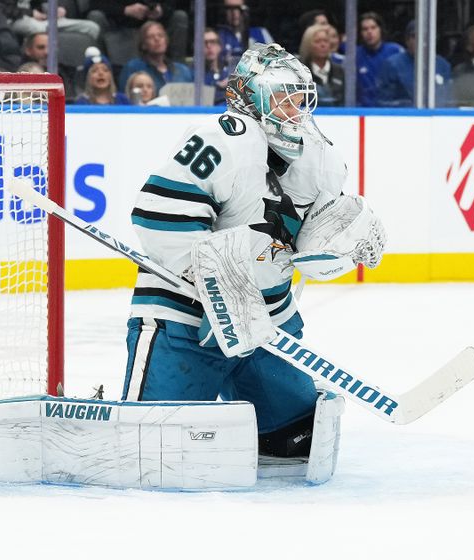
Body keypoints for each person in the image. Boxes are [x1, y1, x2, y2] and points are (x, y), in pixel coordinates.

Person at [122, 43, 382, 477]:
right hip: (187, 320)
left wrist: (342, 242)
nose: (295, 107)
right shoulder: (223, 139)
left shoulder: (321, 155)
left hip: (271, 324)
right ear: (248, 95)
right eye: (282, 94)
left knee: (297, 440)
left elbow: (311, 246)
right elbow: (157, 214)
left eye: (300, 95)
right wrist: (223, 292)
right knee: (155, 449)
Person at [377, 20, 452, 107]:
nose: (421, 41)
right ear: (407, 40)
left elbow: (448, 100)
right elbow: (383, 102)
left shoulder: (443, 65)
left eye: (426, 36)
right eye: (415, 37)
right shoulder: (392, 65)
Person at [117, 20, 192, 94]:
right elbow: (125, 98)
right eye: (151, 37)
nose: (157, 39)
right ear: (143, 45)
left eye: (161, 35)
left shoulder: (183, 70)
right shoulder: (133, 67)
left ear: (166, 41)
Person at [356, 12, 404, 107]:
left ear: (380, 30)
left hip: (391, 110)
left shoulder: (395, 51)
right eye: (365, 29)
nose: (369, 32)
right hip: (363, 110)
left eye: (373, 27)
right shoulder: (355, 54)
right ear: (360, 33)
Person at [215, 0, 273, 70]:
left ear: (246, 10)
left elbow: (275, 62)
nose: (234, 13)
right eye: (229, 8)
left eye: (239, 9)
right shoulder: (217, 37)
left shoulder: (261, 33)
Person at [298, 24, 344, 107]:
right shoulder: (301, 73)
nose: (323, 45)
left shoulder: (340, 71)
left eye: (325, 41)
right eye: (317, 41)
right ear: (308, 45)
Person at [203, 27, 227, 105]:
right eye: (205, 43)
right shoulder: (194, 75)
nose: (209, 46)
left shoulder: (228, 73)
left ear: (219, 47)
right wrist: (218, 86)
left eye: (213, 42)